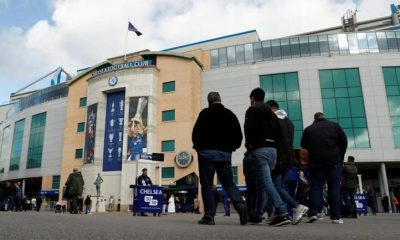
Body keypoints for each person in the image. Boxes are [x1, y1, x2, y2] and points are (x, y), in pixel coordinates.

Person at [192, 91, 248, 225]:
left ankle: (209, 216)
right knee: (228, 182)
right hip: (224, 155)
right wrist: (231, 148)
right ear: (220, 100)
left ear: (208, 101)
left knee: (207, 184)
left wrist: (199, 148)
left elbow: (195, 134)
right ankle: (240, 206)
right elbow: (238, 136)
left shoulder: (204, 114)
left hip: (206, 154)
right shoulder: (230, 114)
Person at [243, 88, 290, 226]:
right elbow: (279, 133)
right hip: (273, 151)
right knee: (264, 184)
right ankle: (258, 214)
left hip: (260, 150)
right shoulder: (272, 113)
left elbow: (248, 130)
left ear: (252, 98)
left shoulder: (251, 110)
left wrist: (249, 147)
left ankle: (282, 211)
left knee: (266, 183)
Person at [266, 99, 309, 225]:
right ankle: (282, 213)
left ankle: (295, 206)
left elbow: (277, 141)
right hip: (288, 159)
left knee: (275, 186)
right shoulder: (289, 122)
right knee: (278, 186)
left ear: (270, 108)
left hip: (279, 157)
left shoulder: (274, 120)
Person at [301, 112, 348, 224]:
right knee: (334, 188)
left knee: (316, 187)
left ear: (315, 119)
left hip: (316, 162)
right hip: (334, 161)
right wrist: (340, 156)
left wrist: (312, 153)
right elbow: (344, 141)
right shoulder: (335, 126)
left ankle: (313, 213)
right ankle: (336, 217)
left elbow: (303, 145)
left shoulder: (309, 129)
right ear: (324, 117)